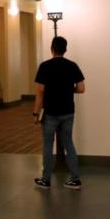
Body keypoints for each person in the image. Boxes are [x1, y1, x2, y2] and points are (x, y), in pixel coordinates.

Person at [32, 36, 84, 190]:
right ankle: (75, 179)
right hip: (68, 111)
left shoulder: (44, 66)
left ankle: (46, 180)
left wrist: (36, 113)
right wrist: (69, 90)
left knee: (48, 144)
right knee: (68, 142)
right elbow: (81, 88)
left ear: (52, 48)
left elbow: (40, 92)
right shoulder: (72, 66)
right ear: (65, 49)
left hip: (50, 113)